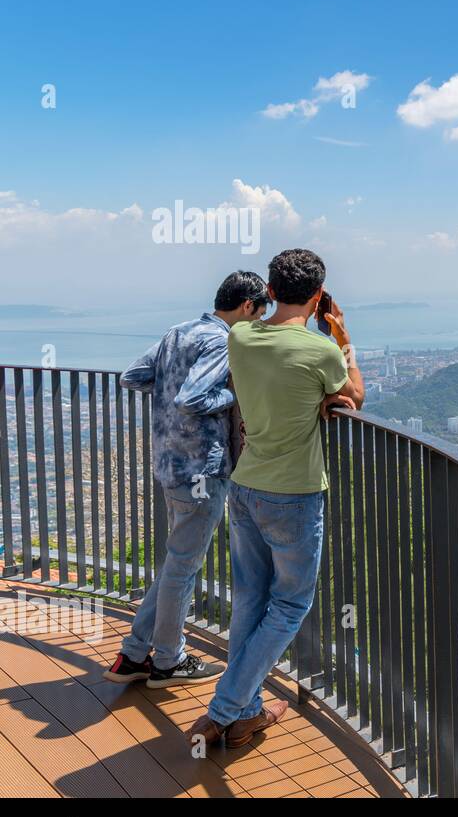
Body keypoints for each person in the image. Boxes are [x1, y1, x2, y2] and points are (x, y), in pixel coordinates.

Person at [189, 248, 364, 748]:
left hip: (245, 488)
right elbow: (354, 395)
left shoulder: (242, 336)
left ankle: (247, 712)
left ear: (268, 292)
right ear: (317, 298)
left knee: (250, 598)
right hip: (294, 494)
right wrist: (343, 337)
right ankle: (225, 708)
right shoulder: (322, 350)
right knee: (289, 604)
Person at [104, 271, 268, 688]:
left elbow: (133, 376)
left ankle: (135, 654)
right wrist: (237, 394)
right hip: (201, 468)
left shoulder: (180, 331)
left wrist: (171, 394)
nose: (257, 325)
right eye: (258, 314)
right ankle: (169, 662)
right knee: (183, 568)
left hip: (169, 463)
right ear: (248, 306)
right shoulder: (220, 340)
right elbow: (193, 398)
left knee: (177, 562)